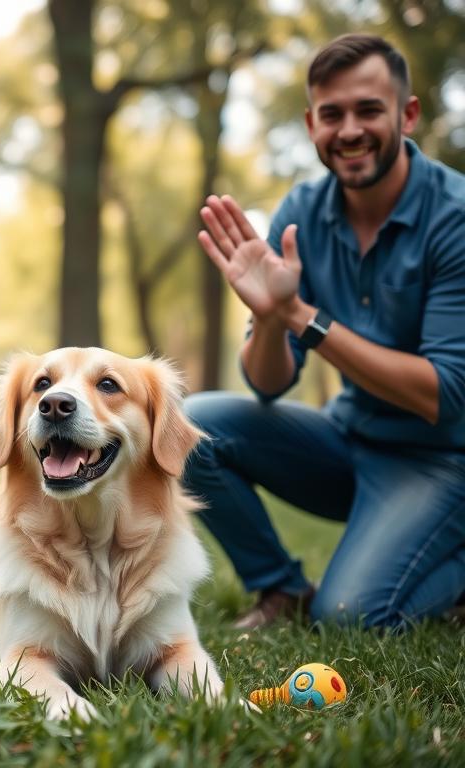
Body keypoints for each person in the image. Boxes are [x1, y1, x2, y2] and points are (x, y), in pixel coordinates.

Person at [186, 33, 465, 629]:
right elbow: (266, 386)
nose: (350, 131)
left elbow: (442, 395)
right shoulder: (301, 215)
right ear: (312, 124)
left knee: (352, 616)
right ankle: (281, 590)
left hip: (440, 460)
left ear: (407, 114)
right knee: (190, 429)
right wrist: (267, 319)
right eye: (332, 115)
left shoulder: (454, 219)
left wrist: (300, 318)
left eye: (369, 110)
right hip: (350, 437)